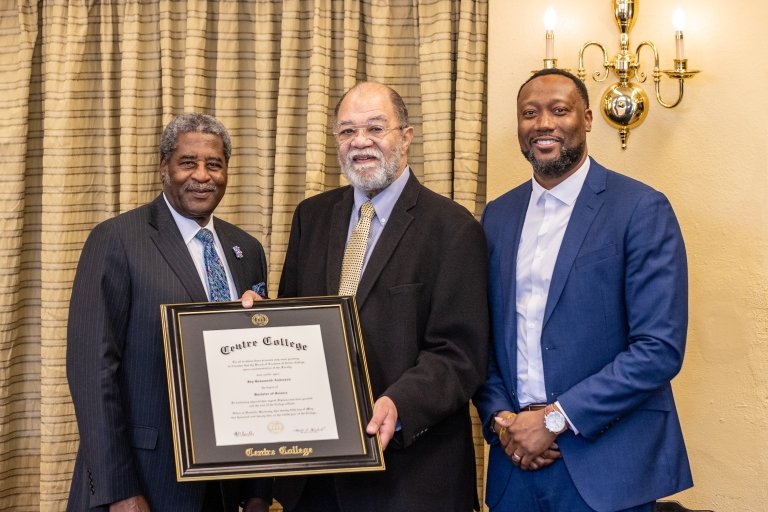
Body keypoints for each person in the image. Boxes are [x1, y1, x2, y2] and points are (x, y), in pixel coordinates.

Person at [243, 81, 489, 512]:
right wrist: (262, 322)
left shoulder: (453, 228)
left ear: (406, 136)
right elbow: (295, 327)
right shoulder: (312, 217)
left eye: (376, 128)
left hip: (411, 479)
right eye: (346, 131)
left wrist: (399, 403)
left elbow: (459, 354)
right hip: (319, 480)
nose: (360, 142)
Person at [473, 68, 693, 512]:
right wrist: (502, 421)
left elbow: (658, 348)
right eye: (529, 113)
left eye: (560, 110)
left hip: (607, 463)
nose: (543, 124)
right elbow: (483, 336)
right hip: (514, 462)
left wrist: (554, 420)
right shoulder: (497, 216)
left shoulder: (640, 208)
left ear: (588, 119)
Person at [66, 113, 270, 512]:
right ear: (164, 169)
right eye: (187, 162)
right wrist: (118, 491)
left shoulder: (246, 250)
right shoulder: (117, 240)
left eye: (214, 164)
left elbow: (258, 374)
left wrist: (259, 489)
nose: (202, 175)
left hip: (224, 486)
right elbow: (92, 373)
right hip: (143, 480)